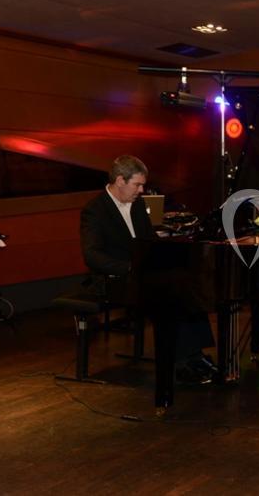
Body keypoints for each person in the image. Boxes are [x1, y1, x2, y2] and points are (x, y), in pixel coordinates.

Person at [80, 155, 216, 385]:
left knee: (185, 286)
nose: (142, 190)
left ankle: (195, 355)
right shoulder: (94, 210)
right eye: (138, 184)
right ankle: (182, 362)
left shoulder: (138, 205)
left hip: (142, 276)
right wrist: (131, 267)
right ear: (120, 181)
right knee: (169, 296)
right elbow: (92, 255)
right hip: (113, 278)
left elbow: (149, 241)